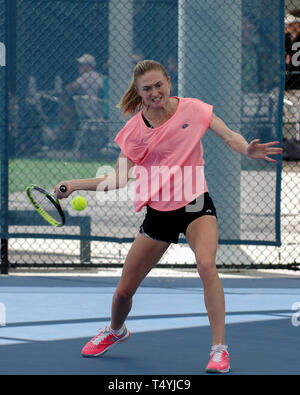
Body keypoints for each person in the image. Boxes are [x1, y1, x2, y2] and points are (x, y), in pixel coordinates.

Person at [54, 60, 282, 373]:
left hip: (194, 204)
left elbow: (229, 136)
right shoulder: (134, 131)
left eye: (159, 85)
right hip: (159, 212)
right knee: (123, 291)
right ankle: (116, 330)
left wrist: (246, 149)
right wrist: (75, 185)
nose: (155, 92)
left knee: (206, 264)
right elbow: (118, 179)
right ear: (139, 92)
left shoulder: (195, 109)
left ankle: (219, 350)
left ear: (168, 83)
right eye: (147, 89)